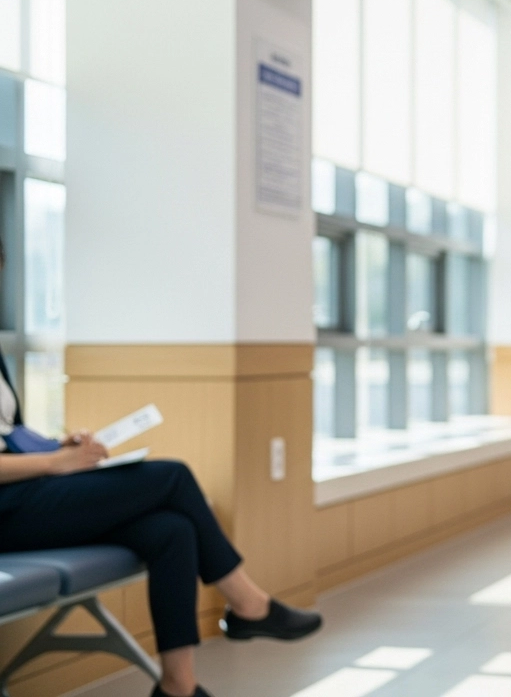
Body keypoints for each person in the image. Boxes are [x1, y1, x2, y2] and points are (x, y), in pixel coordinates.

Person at [0, 242, 322, 697]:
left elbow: (8, 430)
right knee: (172, 476)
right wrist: (56, 463)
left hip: (27, 491)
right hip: (8, 509)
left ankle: (178, 686)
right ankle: (249, 604)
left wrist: (59, 446)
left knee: (171, 530)